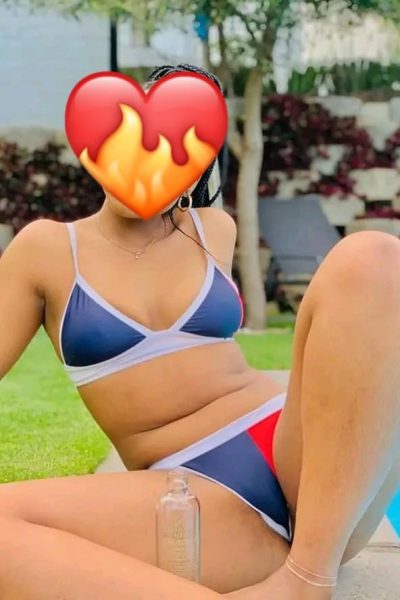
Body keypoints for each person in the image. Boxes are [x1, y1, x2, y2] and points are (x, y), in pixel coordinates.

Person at [0, 64, 399, 600]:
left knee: (373, 257)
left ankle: (307, 577)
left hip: (313, 464)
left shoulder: (213, 229)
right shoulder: (46, 249)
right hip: (191, 491)